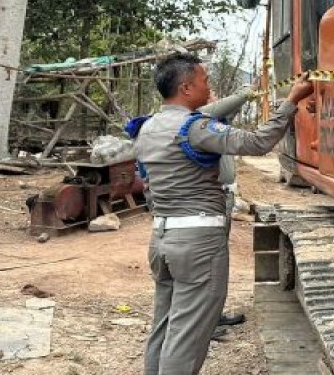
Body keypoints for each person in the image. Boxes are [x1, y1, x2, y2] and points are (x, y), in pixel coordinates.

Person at [134, 52, 313, 375]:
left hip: (162, 238)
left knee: (164, 325)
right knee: (187, 335)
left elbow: (146, 183)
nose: (209, 87)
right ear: (186, 88)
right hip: (198, 243)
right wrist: (291, 101)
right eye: (205, 81)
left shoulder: (147, 127)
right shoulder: (195, 127)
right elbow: (258, 143)